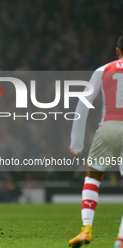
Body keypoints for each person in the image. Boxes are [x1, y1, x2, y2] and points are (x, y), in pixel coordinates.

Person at [69, 34, 123, 247]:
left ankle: (86, 229)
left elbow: (83, 104)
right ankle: (120, 241)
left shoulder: (103, 70)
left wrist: (77, 142)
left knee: (92, 177)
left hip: (108, 126)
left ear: (117, 51)